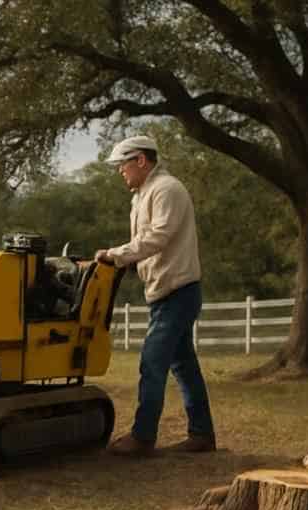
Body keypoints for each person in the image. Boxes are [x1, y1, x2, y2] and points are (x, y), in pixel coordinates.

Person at [95, 135, 216, 455]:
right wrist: (128, 262)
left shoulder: (167, 189)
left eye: (123, 164)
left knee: (152, 362)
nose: (121, 171)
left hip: (178, 291)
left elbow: (158, 236)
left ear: (141, 161)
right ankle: (202, 435)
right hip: (166, 290)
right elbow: (150, 242)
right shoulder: (144, 194)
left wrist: (116, 254)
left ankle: (143, 437)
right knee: (184, 365)